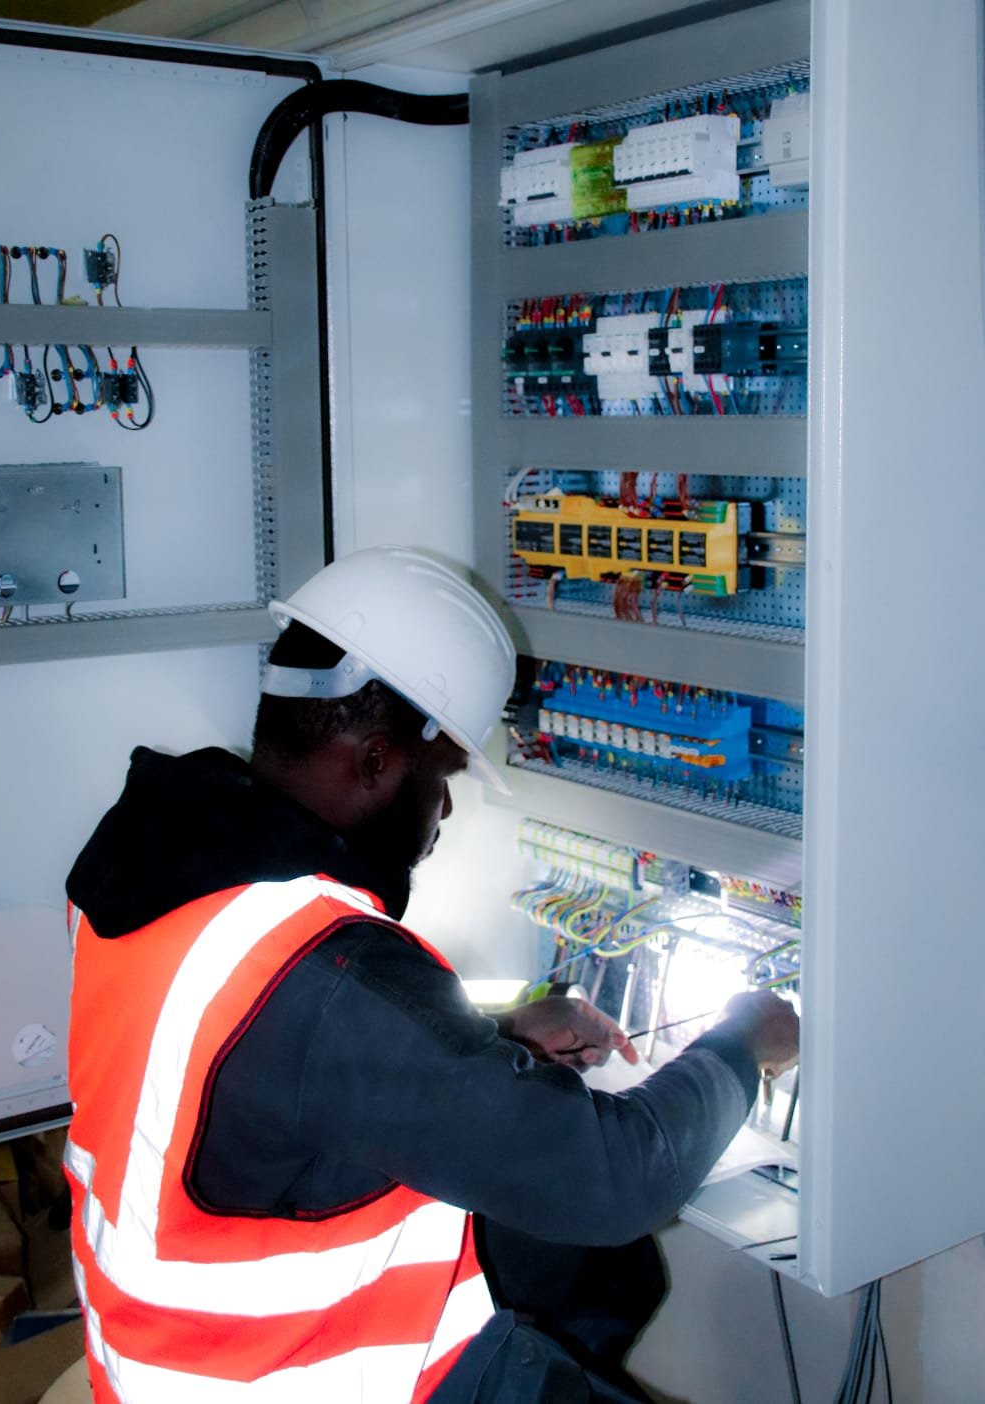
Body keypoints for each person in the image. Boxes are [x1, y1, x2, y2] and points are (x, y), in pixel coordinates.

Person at [64, 545, 799, 1404]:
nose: (444, 810)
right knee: (592, 1236)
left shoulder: (155, 856)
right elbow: (619, 1178)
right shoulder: (319, 966)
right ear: (376, 761)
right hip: (296, 1376)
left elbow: (268, 1076)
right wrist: (747, 1040)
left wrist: (494, 1040)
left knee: (602, 1272)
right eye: (444, 777)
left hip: (160, 1354)